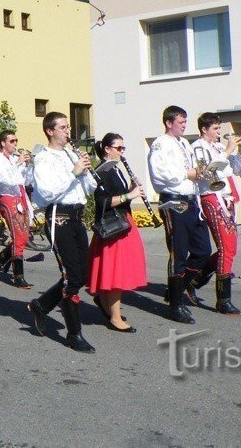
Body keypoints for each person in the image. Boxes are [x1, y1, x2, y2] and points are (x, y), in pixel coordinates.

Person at [27, 113, 98, 353]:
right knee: (71, 277)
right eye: (63, 127)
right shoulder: (43, 159)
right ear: (50, 131)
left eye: (68, 127)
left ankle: (41, 304)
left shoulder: (70, 154)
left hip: (77, 216)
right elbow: (47, 193)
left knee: (82, 274)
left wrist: (86, 170)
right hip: (59, 217)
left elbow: (89, 188)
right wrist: (74, 172)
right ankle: (74, 333)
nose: (68, 131)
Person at [148, 105, 211, 324]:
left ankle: (177, 290)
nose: (185, 125)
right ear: (168, 123)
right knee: (179, 254)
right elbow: (162, 174)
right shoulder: (160, 144)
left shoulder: (184, 143)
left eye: (185, 122)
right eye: (181, 122)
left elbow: (192, 170)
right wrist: (189, 173)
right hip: (174, 203)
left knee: (203, 250)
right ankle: (175, 306)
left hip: (192, 201)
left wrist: (201, 173)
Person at [85, 133, 148, 333]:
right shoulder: (101, 171)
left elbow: (120, 196)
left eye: (123, 148)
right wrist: (130, 194)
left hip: (123, 221)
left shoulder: (116, 169)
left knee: (119, 270)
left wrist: (131, 189)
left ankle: (104, 302)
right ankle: (115, 317)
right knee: (115, 273)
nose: (122, 152)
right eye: (119, 148)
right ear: (107, 149)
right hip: (112, 226)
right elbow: (103, 202)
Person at [190, 113, 241, 315]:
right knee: (225, 247)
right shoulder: (198, 147)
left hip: (226, 198)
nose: (219, 133)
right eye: (215, 129)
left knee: (230, 247)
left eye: (218, 128)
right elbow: (207, 172)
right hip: (211, 197)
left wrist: (236, 153)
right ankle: (223, 300)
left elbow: (240, 171)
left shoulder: (217, 148)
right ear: (204, 129)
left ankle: (193, 281)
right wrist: (227, 152)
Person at [0, 129, 33, 288]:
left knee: (24, 238)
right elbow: (4, 178)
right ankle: (18, 276)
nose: (15, 144)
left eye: (16, 140)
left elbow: (25, 181)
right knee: (19, 237)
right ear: (3, 143)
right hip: (7, 198)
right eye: (12, 141)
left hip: (21, 197)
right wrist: (18, 163)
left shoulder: (13, 158)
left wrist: (28, 166)